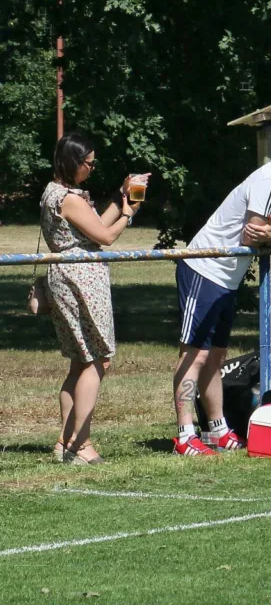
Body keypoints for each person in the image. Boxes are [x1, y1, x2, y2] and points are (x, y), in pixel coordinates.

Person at [173, 134, 271, 455]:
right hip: (204, 267)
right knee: (195, 354)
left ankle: (217, 430)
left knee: (216, 357)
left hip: (229, 277)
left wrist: (269, 235)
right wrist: (268, 235)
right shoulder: (270, 180)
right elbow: (252, 234)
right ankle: (184, 435)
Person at [41, 133, 146, 465]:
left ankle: (64, 442)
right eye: (88, 163)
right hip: (80, 279)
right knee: (98, 359)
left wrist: (121, 198)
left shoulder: (56, 193)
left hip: (69, 277)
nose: (91, 169)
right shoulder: (68, 198)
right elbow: (105, 236)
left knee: (80, 361)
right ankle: (80, 442)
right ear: (73, 162)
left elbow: (94, 224)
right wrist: (130, 213)